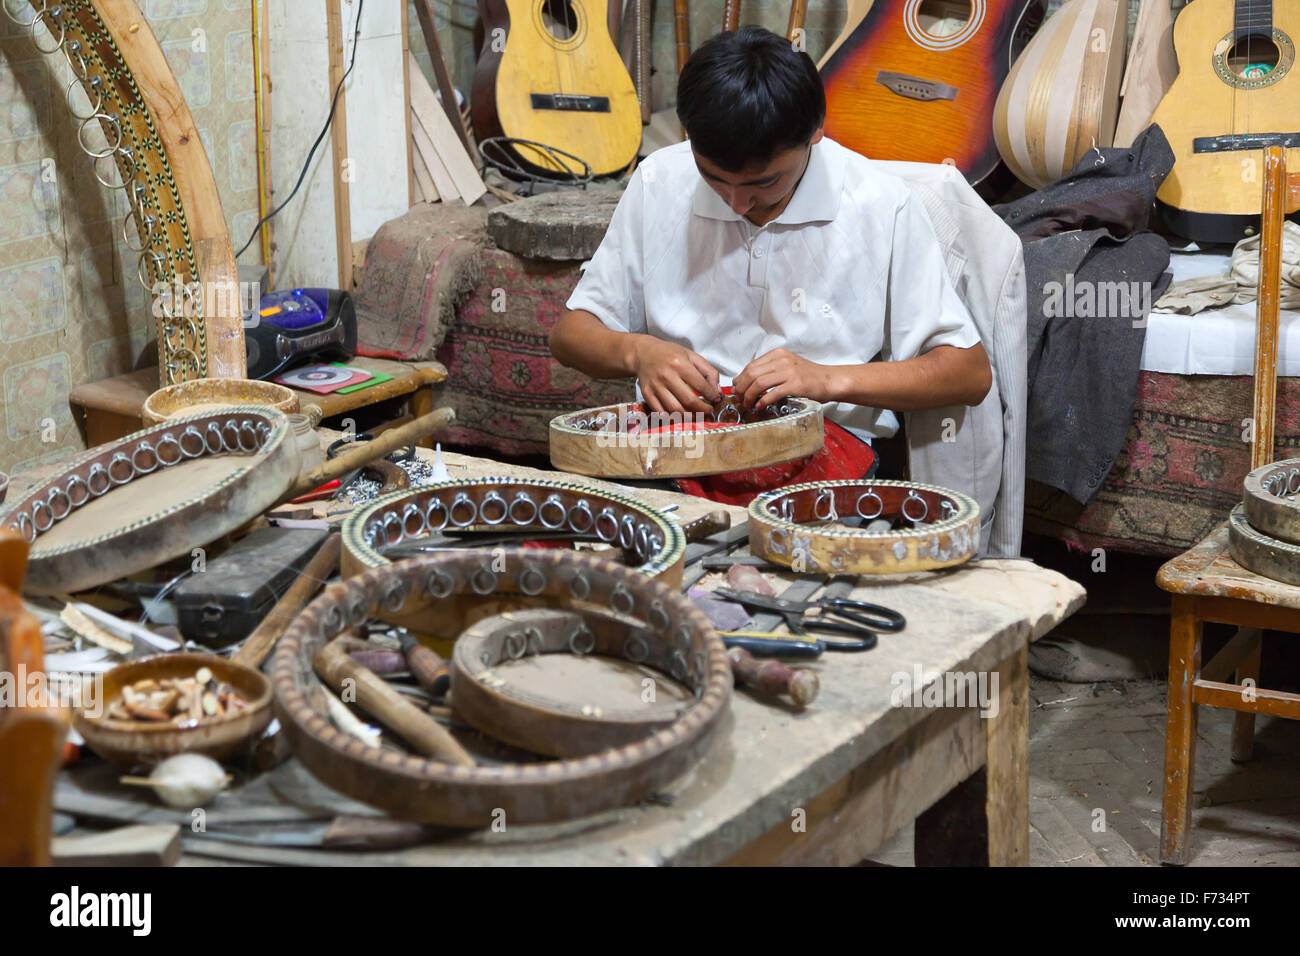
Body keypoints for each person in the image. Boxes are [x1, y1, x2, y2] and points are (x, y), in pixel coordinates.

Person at [549, 25, 991, 481]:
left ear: (816, 132)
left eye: (764, 183)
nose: (738, 204)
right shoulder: (661, 178)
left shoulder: (882, 203)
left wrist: (825, 379)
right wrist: (638, 353)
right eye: (714, 178)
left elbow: (967, 373)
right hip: (678, 437)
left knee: (752, 542)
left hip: (820, 441)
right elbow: (570, 334)